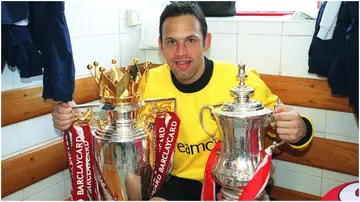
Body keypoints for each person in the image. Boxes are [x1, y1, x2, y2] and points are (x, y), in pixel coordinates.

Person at [52, 1, 314, 201]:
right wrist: (71, 117)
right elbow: (109, 120)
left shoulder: (241, 81)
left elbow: (290, 126)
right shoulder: (144, 82)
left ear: (206, 42)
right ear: (160, 45)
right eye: (171, 42)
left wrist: (299, 128)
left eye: (190, 40)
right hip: (176, 184)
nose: (181, 52)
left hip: (236, 186)